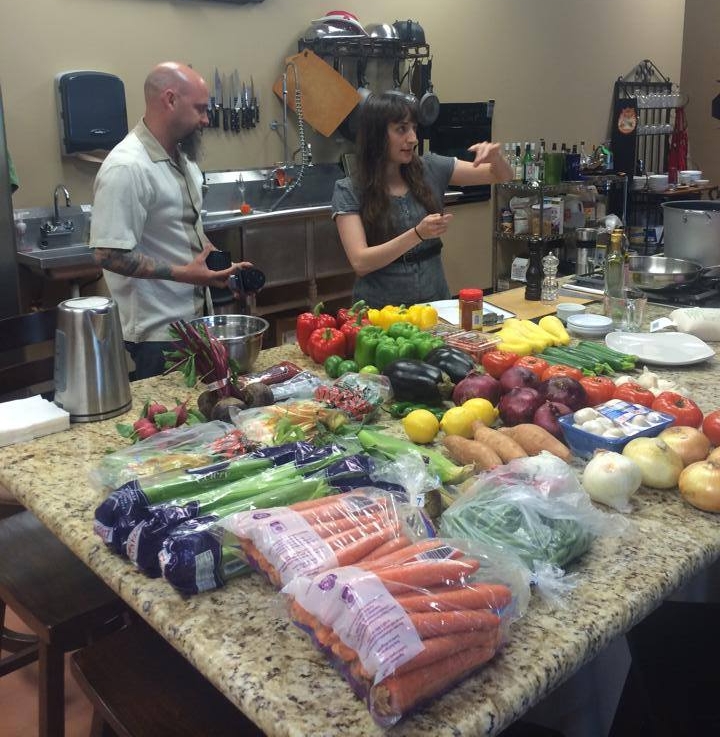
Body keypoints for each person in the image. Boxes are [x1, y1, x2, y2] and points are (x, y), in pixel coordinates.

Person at [90, 61, 248, 379]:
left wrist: (215, 268)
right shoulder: (127, 167)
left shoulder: (183, 161)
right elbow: (107, 254)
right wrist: (185, 273)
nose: (206, 119)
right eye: (200, 109)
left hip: (196, 326)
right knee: (168, 429)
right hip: (156, 339)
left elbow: (184, 230)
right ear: (170, 100)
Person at [331, 92, 513, 308]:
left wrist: (496, 158)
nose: (413, 138)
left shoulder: (431, 168)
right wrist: (418, 233)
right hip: (380, 311)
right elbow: (361, 262)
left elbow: (501, 175)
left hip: (435, 303)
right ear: (376, 134)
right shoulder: (350, 189)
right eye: (401, 129)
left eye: (414, 128)